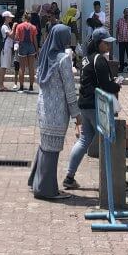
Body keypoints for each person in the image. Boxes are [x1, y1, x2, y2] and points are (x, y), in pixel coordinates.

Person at [28, 24, 81, 200]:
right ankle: (45, 189)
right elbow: (69, 88)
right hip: (57, 111)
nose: (69, 39)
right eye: (67, 36)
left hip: (43, 108)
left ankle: (35, 181)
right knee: (52, 149)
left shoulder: (44, 55)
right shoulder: (63, 59)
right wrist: (76, 114)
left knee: (45, 145)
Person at [63, 29, 120, 189]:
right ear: (98, 43)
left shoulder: (86, 59)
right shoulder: (99, 60)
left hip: (84, 104)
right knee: (110, 141)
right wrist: (117, 85)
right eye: (106, 42)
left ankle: (69, 176)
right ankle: (117, 180)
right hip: (96, 105)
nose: (108, 45)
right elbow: (105, 84)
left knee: (84, 139)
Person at [14, 12, 39, 91]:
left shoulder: (19, 26)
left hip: (22, 46)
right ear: (30, 19)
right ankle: (31, 87)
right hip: (31, 46)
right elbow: (35, 39)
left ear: (24, 18)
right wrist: (37, 49)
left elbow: (16, 37)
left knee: (22, 67)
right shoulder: (33, 27)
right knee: (31, 67)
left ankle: (21, 87)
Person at [0, 10, 15, 91]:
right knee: (3, 66)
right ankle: (0, 85)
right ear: (6, 18)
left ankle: (1, 84)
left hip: (8, 48)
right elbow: (10, 35)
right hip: (5, 48)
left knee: (4, 66)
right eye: (10, 17)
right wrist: (14, 27)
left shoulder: (7, 26)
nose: (11, 18)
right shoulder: (4, 27)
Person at [115, 8, 128, 73]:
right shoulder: (119, 20)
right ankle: (121, 68)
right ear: (123, 13)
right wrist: (116, 38)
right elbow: (117, 30)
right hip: (121, 40)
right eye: (126, 12)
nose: (127, 14)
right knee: (121, 55)